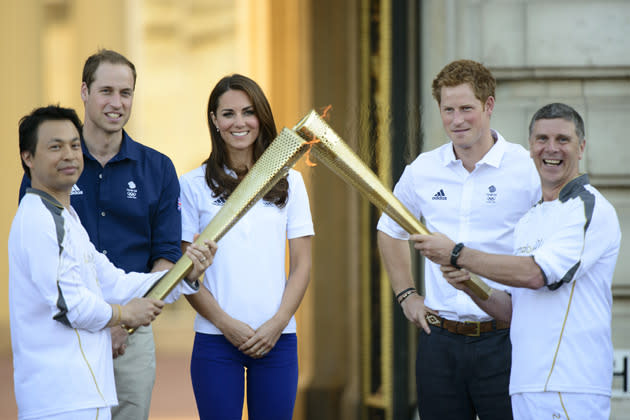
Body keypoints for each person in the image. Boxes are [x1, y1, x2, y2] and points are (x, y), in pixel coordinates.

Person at [415, 103, 621, 420]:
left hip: (569, 387)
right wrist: (468, 283)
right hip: (524, 386)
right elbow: (513, 310)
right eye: (541, 139)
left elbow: (536, 275)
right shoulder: (530, 219)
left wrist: (456, 253)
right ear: (530, 149)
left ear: (581, 148)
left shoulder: (587, 207)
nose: (551, 149)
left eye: (563, 140)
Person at [10, 105, 216, 420]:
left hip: (86, 393)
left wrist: (184, 272)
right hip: (60, 399)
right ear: (28, 157)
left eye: (74, 145)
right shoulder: (39, 219)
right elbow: (69, 306)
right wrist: (124, 314)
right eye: (55, 146)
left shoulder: (67, 218)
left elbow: (116, 282)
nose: (69, 154)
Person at [19, 49, 182, 420]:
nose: (116, 102)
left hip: (134, 333)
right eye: (106, 90)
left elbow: (166, 256)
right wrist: (106, 320)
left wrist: (123, 321)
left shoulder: (157, 168)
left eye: (125, 93)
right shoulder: (53, 166)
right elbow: (45, 257)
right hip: (68, 331)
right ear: (84, 92)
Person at [376, 59, 541, 419]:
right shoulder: (422, 169)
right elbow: (389, 230)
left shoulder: (527, 169)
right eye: (448, 110)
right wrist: (406, 296)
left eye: (467, 108)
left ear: (489, 106)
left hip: (507, 339)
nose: (457, 120)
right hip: (441, 339)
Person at [179, 74, 314, 420]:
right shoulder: (192, 185)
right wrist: (225, 323)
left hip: (278, 339)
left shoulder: (291, 181)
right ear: (214, 120)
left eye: (248, 112)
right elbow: (184, 273)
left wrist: (279, 323)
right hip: (215, 339)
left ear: (261, 117)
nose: (239, 123)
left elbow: (301, 264)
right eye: (228, 114)